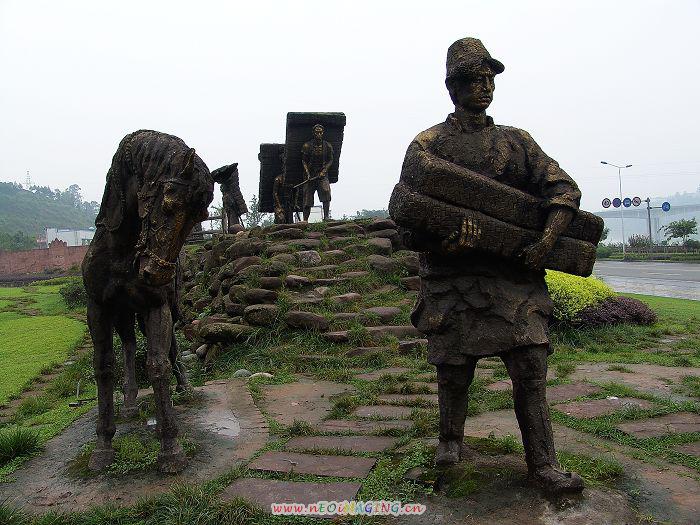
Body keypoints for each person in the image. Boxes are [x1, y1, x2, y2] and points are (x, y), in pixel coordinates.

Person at [399, 37, 584, 495]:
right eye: (474, 80)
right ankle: (449, 441)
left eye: (489, 79)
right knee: (454, 370)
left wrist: (546, 239)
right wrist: (446, 240)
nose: (484, 88)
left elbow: (563, 189)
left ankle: (543, 463)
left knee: (531, 369)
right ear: (452, 87)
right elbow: (407, 219)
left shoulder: (516, 143)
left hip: (515, 281)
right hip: (455, 280)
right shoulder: (429, 145)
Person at [301, 124, 333, 221]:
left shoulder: (327, 146)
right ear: (313, 133)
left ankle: (326, 216)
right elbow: (304, 161)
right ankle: (305, 219)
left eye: (320, 132)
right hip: (310, 175)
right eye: (316, 132)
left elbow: (331, 160)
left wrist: (324, 171)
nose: (318, 134)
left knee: (326, 191)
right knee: (307, 196)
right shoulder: (307, 146)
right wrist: (307, 173)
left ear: (323, 133)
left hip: (322, 174)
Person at [211, 163, 248, 231]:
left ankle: (235, 229)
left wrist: (231, 202)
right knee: (230, 216)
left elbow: (233, 195)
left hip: (231, 202)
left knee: (233, 217)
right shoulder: (224, 186)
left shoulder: (230, 184)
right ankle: (232, 229)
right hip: (227, 203)